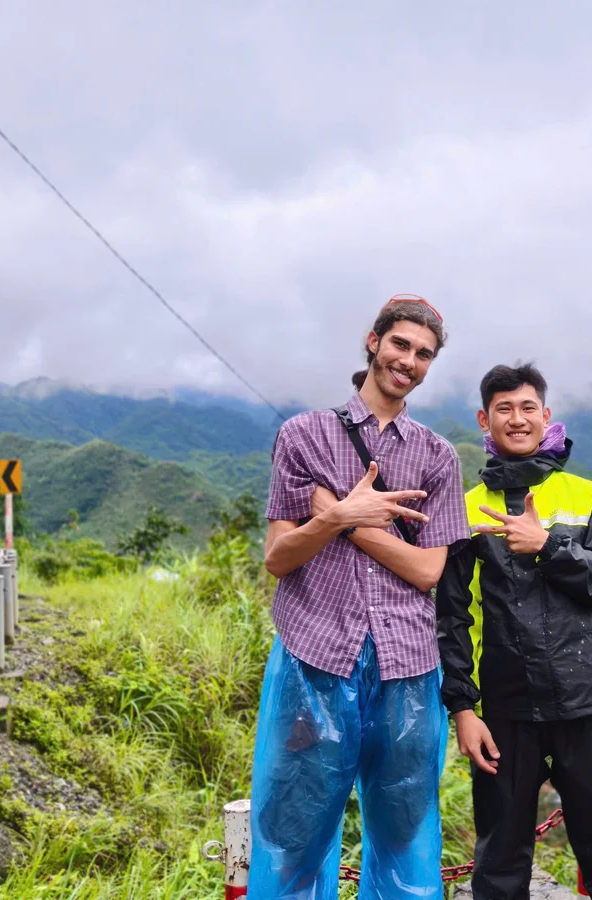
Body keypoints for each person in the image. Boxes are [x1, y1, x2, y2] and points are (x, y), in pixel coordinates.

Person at [250, 295, 470, 900]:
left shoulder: (436, 457)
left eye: (424, 354)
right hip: (313, 659)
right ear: (373, 341)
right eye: (400, 344)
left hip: (408, 667)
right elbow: (277, 557)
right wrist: (336, 516)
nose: (410, 361)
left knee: (405, 834)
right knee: (291, 834)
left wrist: (348, 521)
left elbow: (429, 571)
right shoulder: (305, 435)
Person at [436, 363, 592, 900]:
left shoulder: (584, 495)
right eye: (504, 409)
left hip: (589, 702)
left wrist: (548, 546)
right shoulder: (466, 511)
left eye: (528, 407)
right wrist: (463, 710)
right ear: (486, 420)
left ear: (546, 416)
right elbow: (451, 617)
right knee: (500, 858)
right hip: (506, 711)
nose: (518, 418)